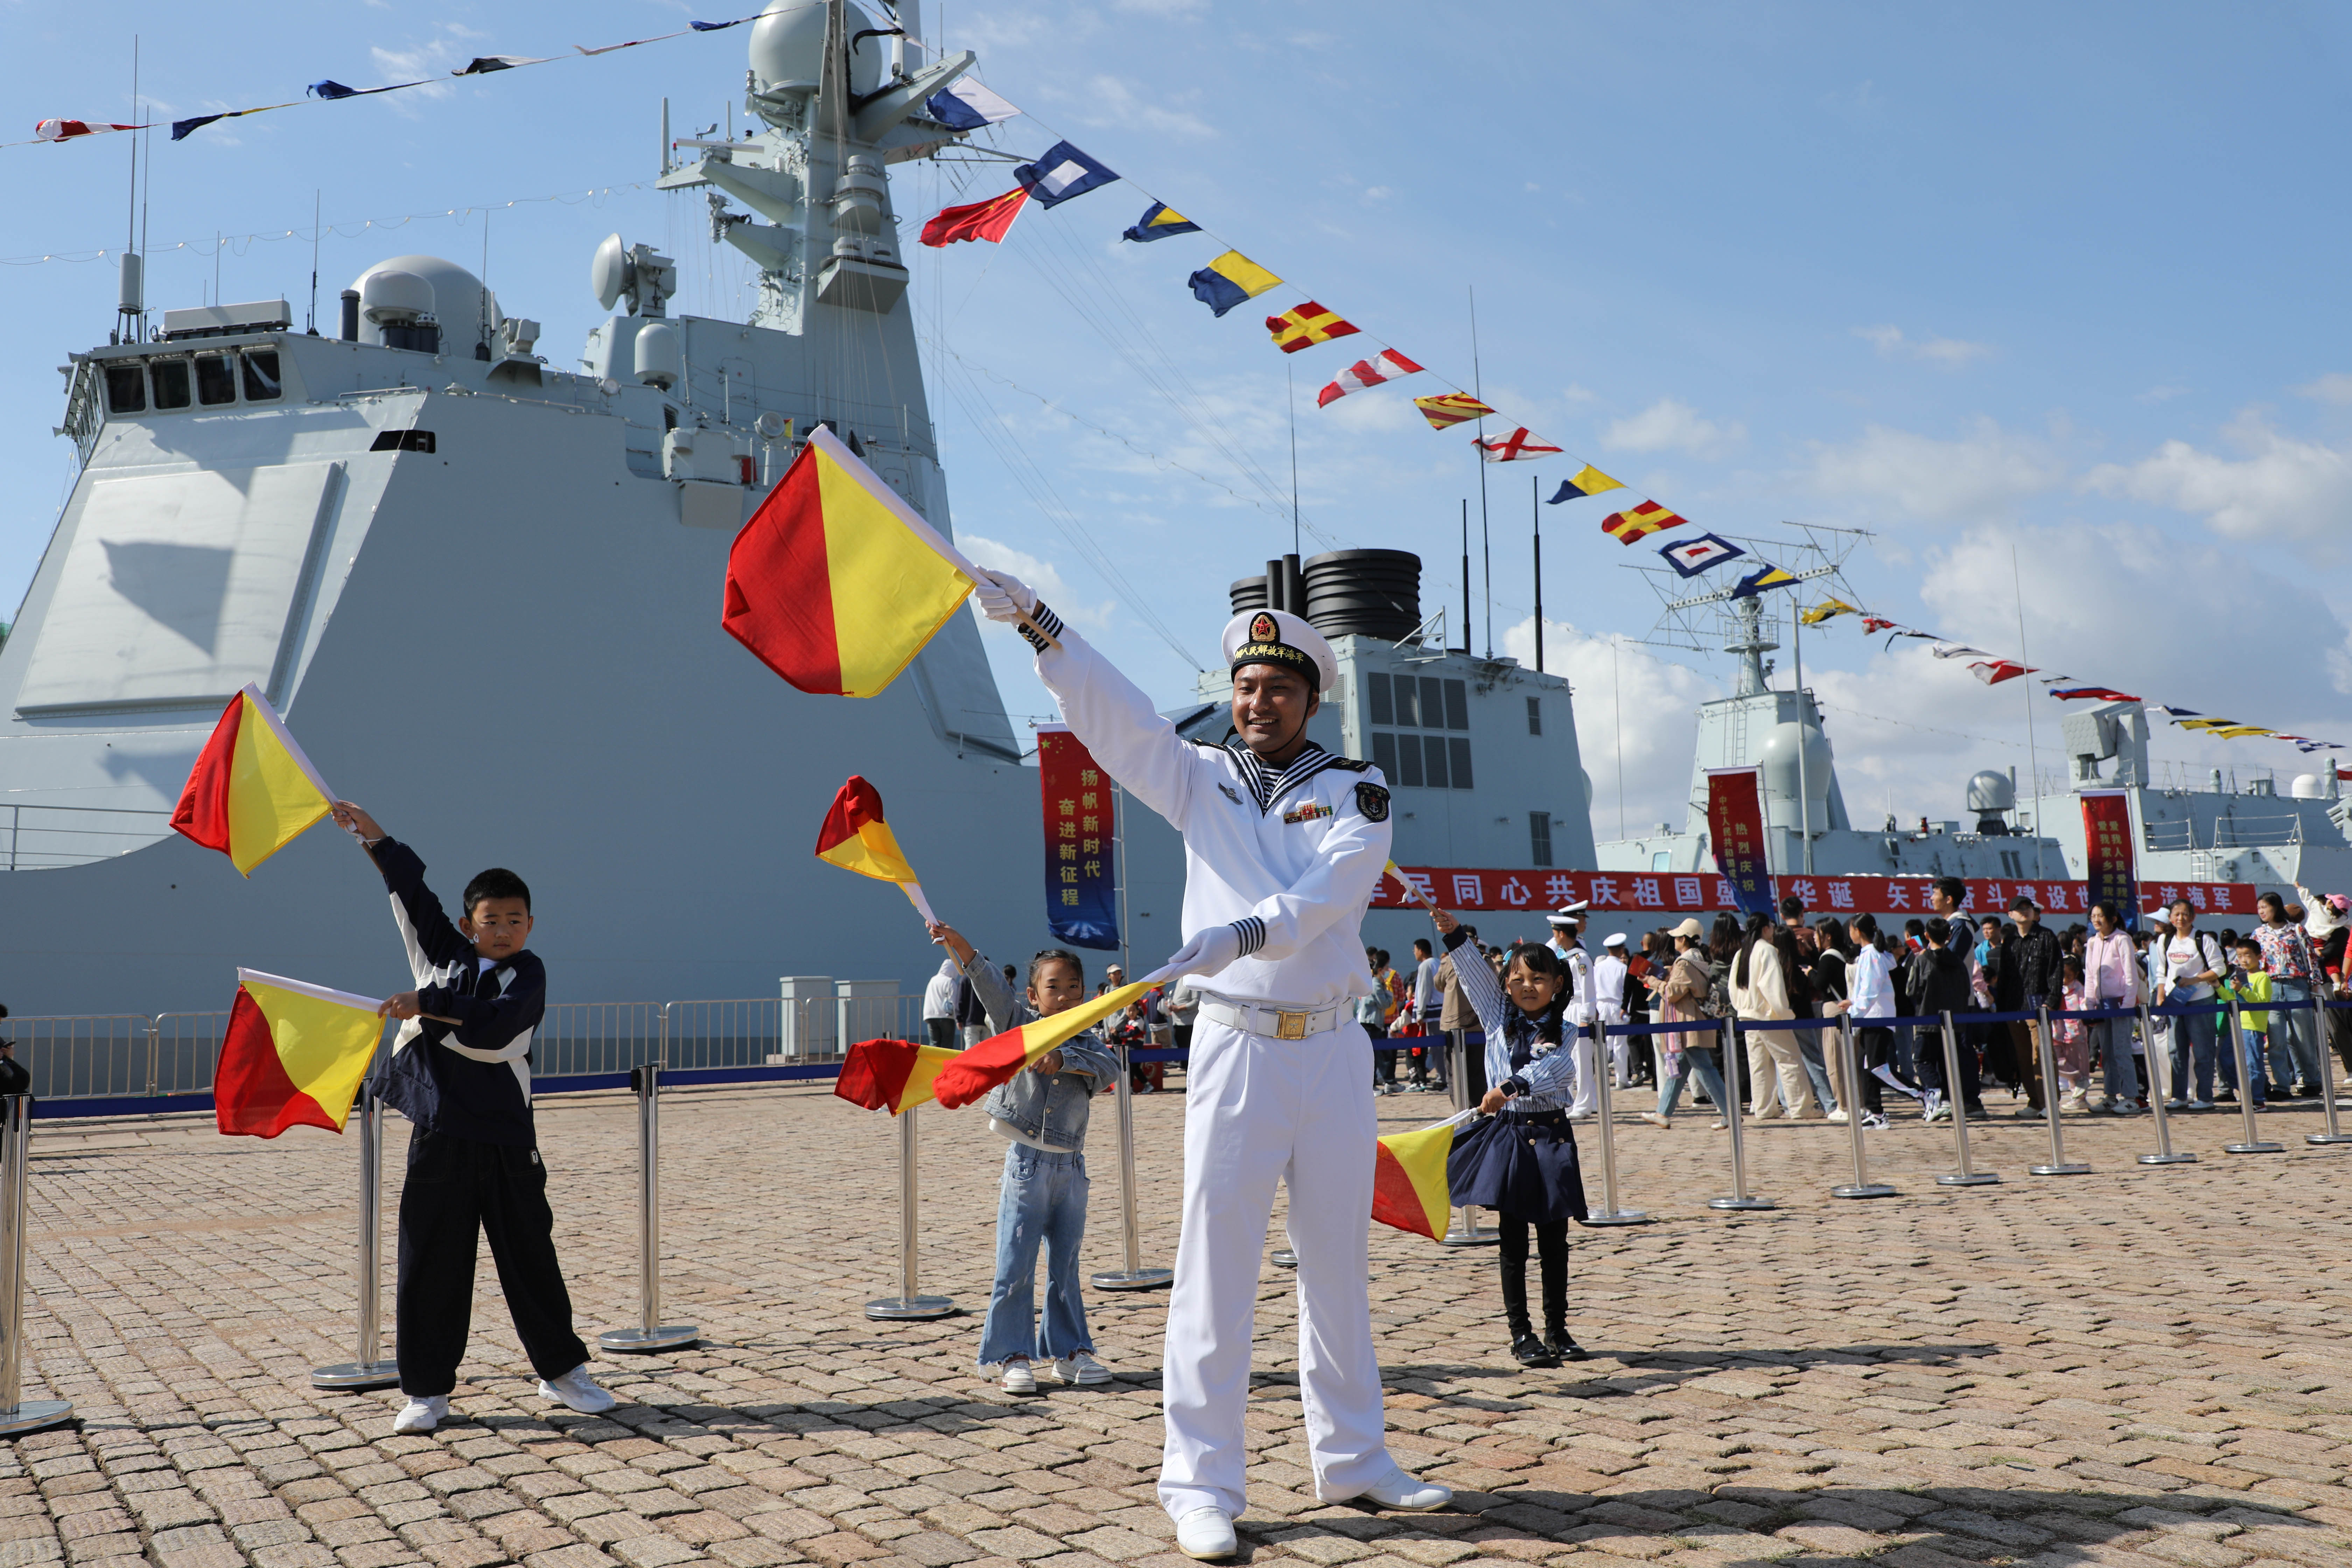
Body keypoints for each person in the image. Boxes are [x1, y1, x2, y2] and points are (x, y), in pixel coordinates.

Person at [972, 579, 1450, 1555]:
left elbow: (1329, 896)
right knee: (1215, 1267)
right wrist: (1041, 627)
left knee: (1337, 1267)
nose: (1256, 702)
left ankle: (1355, 1458)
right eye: (1244, 686)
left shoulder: (1358, 790)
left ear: (1311, 698)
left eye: (1277, 686)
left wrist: (1239, 932)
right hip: (1235, 1044)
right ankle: (1198, 1483)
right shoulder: (1198, 777)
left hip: (1331, 1047)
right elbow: (1119, 721)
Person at [326, 802, 612, 1437]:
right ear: (468, 924)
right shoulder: (444, 955)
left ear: (531, 925)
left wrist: (428, 1005)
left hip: (507, 1139)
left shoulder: (528, 975)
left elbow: (500, 1031)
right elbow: (411, 892)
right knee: (431, 1262)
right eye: (492, 921)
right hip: (440, 1137)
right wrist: (371, 836)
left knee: (530, 1255)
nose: (504, 930)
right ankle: (426, 1390)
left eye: (515, 920)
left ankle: (562, 1371)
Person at [933, 925, 1119, 1393]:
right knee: (1015, 1265)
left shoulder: (1090, 1041)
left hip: (1072, 1170)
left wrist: (1064, 1061)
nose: (1066, 995)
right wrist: (964, 948)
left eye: (1074, 986)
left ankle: (1070, 1352)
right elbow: (991, 987)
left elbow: (1108, 1069)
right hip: (1028, 1165)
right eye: (1053, 987)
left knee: (1066, 1267)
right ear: (1033, 996)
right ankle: (1011, 1355)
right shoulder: (1019, 1025)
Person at [1428, 910, 1589, 1368]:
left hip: (1553, 1136)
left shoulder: (1566, 1029)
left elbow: (1558, 1069)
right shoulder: (1497, 1016)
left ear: (1557, 984)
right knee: (1513, 1241)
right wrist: (1455, 935)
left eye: (1538, 978)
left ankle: (1558, 1330)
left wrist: (1512, 1087)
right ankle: (1522, 1334)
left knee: (1555, 1241)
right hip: (1512, 1138)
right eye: (1517, 978)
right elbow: (1476, 975)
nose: (1527, 986)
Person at [1643, 917, 1728, 1129]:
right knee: (1679, 1070)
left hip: (1687, 1022)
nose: (1674, 941)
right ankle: (1663, 1113)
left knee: (1705, 1069)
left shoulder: (1684, 963)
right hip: (1693, 1020)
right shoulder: (1697, 958)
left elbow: (1672, 994)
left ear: (1684, 939)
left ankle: (1731, 1112)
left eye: (1677, 938)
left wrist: (1651, 980)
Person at [1731, 912, 1815, 1119]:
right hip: (1768, 1016)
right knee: (1790, 1060)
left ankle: (1764, 1108)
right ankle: (1801, 1108)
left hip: (1747, 1015)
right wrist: (1784, 1012)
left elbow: (1734, 988)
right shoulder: (1767, 951)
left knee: (1759, 1065)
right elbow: (1772, 987)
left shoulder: (1742, 953)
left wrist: (1742, 1009)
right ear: (1765, 928)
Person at [1907, 916, 1979, 1121]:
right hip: (1954, 1022)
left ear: (1927, 936)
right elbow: (1967, 990)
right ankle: (1947, 1101)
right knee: (1947, 1062)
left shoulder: (1922, 960)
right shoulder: (1958, 962)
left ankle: (1937, 1096)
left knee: (1922, 1060)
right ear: (1949, 936)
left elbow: (1912, 991)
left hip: (1927, 1021)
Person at [2000, 896, 2065, 1119]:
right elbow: (2005, 976)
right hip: (2015, 1006)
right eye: (2019, 909)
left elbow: (2057, 969)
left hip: (2040, 1006)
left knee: (2043, 1055)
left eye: (2027, 908)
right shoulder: (2009, 940)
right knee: (2024, 1057)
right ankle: (2035, 1102)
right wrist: (2003, 1007)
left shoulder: (2046, 936)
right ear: (2010, 915)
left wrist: (2052, 1000)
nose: (2025, 912)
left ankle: (2050, 1103)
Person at [2157, 898, 2225, 1111]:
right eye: (2176, 914)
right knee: (2176, 1050)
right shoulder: (2165, 940)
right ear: (2170, 918)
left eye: (2185, 914)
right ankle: (2180, 1096)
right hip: (2175, 1001)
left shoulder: (2202, 940)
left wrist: (2195, 980)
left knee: (2203, 1051)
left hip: (2200, 1000)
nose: (2181, 918)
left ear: (2193, 917)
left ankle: (2205, 1097)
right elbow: (2162, 971)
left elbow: (2219, 969)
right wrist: (2161, 995)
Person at [2254, 892, 2323, 1097]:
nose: (2262, 911)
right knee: (2276, 1039)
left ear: (2276, 907)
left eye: (2265, 907)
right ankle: (2282, 1086)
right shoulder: (2258, 934)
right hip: (2271, 987)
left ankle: (2312, 1081)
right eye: (2259, 908)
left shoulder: (2296, 930)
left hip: (2297, 986)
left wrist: (2315, 985)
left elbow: (2310, 957)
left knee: (2303, 1037)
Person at [2081, 902, 2143, 1114]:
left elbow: (2130, 974)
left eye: (2101, 916)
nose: (2097, 920)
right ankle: (2110, 1095)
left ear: (2113, 918)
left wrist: (2126, 1005)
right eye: (2093, 916)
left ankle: (2131, 1098)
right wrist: (2090, 1003)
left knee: (2122, 1051)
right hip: (2101, 1004)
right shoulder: (2091, 942)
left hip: (2120, 1003)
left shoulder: (2122, 939)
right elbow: (2090, 975)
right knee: (2106, 1053)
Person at [1842, 914, 1899, 1127]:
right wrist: (1854, 1004)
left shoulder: (1872, 955)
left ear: (1858, 931)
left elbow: (1871, 989)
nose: (1849, 934)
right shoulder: (1873, 954)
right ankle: (1875, 1112)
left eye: (1851, 929)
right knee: (1866, 1066)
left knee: (1876, 1067)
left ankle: (1921, 1094)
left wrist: (1855, 1011)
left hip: (1875, 1017)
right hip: (1872, 1017)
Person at [2218, 938, 2274, 1110]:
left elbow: (2262, 1002)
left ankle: (2257, 1100)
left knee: (2253, 1064)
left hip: (2253, 1027)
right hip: (2237, 1026)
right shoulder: (2239, 977)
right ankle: (2246, 1090)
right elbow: (2232, 1000)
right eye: (2240, 956)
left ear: (2258, 956)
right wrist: (2218, 987)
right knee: (2225, 1059)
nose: (2243, 960)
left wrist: (2242, 990)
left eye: (2248, 955)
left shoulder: (2263, 977)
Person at [1592, 932, 1631, 1094]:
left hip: (1602, 1005)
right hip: (1618, 1005)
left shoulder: (1598, 968)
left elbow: (1593, 990)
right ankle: (1621, 1079)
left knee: (1604, 1043)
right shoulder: (1623, 968)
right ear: (1621, 949)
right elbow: (1627, 991)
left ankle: (1601, 1077)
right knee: (1620, 1043)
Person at [922, 959, 960, 1050]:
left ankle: (933, 1064)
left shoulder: (933, 980)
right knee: (947, 1046)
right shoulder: (950, 982)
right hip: (946, 1017)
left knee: (934, 1045)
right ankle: (945, 1064)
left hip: (930, 1016)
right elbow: (954, 1002)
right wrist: (957, 1019)